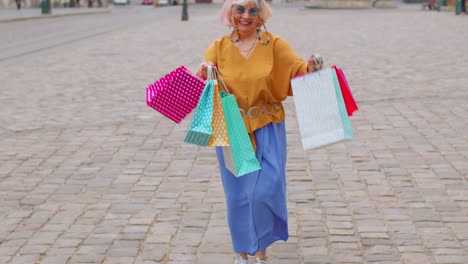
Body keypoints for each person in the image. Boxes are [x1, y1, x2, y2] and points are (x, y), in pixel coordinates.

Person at [196, 0, 324, 263]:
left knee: (268, 189)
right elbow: (203, 80)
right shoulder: (218, 48)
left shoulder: (274, 45)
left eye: (253, 10)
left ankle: (261, 252)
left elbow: (298, 70)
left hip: (268, 125)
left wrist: (311, 68)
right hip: (233, 129)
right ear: (230, 13)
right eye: (240, 9)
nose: (246, 16)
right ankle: (243, 256)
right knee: (239, 195)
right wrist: (204, 73)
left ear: (261, 15)